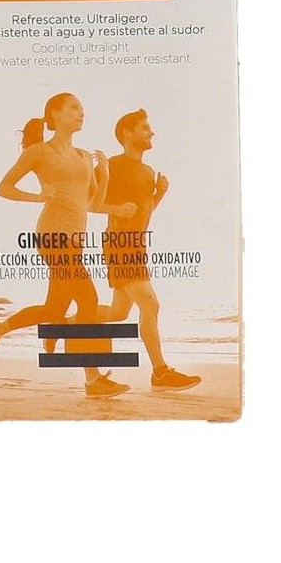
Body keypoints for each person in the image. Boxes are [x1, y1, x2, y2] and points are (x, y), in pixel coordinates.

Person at [0, 92, 129, 399]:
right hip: (52, 236)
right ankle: (93, 379)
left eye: (82, 109)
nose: (81, 113)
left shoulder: (84, 156)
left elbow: (92, 204)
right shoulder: (39, 152)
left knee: (54, 308)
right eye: (74, 107)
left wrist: (105, 174)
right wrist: (38, 197)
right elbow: (3, 188)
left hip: (76, 240)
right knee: (88, 299)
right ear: (54, 114)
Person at [83, 108, 201, 390]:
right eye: (145, 128)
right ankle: (160, 373)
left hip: (137, 245)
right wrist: (115, 209)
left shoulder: (148, 173)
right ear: (127, 133)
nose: (152, 132)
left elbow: (142, 214)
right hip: (119, 244)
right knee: (151, 304)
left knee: (118, 313)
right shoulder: (112, 165)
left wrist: (159, 195)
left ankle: (67, 322)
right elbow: (89, 203)